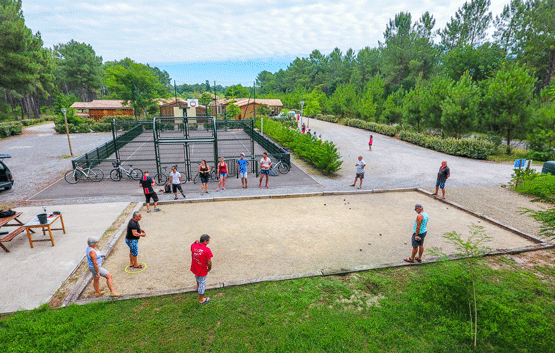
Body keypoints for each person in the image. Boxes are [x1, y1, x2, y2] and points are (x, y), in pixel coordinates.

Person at [190, 234, 213, 304]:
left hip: (195, 266)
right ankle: (201, 299)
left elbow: (192, 247)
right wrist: (209, 268)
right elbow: (209, 262)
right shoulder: (207, 250)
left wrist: (195, 242)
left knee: (197, 277)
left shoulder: (193, 246)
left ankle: (197, 286)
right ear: (205, 241)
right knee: (202, 283)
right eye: (208, 240)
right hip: (202, 269)